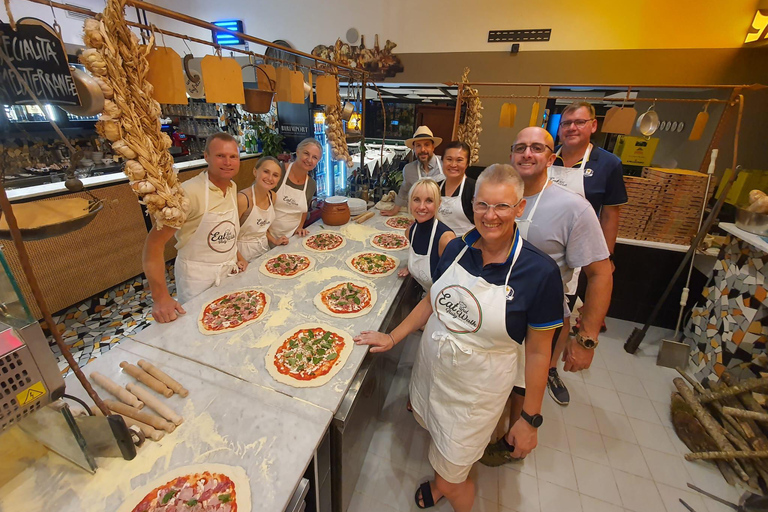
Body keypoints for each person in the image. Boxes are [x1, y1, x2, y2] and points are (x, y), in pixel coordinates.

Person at [355, 164, 563, 512]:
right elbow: (430, 301)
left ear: (520, 208)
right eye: (482, 205)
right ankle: (440, 484)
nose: (490, 215)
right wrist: (393, 337)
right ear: (473, 205)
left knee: (456, 475)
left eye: (502, 206)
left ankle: (450, 489)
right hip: (432, 371)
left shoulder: (539, 272)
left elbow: (540, 354)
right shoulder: (457, 249)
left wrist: (529, 420)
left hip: (474, 396)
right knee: (433, 435)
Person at [507, 127, 612, 424]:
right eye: (521, 147)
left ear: (552, 158)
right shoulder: (499, 197)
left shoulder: (574, 208)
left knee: (522, 390)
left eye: (537, 148)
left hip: (539, 320)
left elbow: (601, 274)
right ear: (512, 156)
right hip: (496, 311)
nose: (528, 153)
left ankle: (515, 438)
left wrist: (586, 338)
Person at [548, 101, 627, 404]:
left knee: (562, 313)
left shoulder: (608, 164)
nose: (571, 128)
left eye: (579, 122)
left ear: (593, 126)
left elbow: (610, 214)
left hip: (577, 255)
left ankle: (550, 369)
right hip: (541, 248)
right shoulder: (548, 157)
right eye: (566, 123)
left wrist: (605, 257)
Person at [143, 133, 248, 323]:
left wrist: (238, 257)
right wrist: (160, 298)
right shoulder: (187, 192)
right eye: (220, 156)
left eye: (233, 156)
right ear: (206, 156)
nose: (228, 162)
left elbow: (228, 231)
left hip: (229, 275)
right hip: (197, 280)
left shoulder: (232, 186)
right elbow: (153, 245)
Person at [397, 178, 455, 292]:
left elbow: (452, 288)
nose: (422, 206)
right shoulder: (410, 232)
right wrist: (411, 267)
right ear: (410, 202)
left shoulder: (446, 240)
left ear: (439, 203)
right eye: (416, 200)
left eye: (429, 200)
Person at [382, 126, 444, 217]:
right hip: (421, 215)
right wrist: (394, 210)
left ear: (433, 147)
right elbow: (404, 191)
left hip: (444, 216)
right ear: (414, 149)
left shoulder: (445, 164)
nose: (423, 150)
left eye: (426, 145)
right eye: (418, 146)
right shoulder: (409, 169)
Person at [269, 138, 320, 241]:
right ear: (297, 152)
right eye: (306, 153)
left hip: (292, 238)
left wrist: (300, 227)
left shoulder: (311, 184)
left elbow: (304, 210)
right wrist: (272, 239)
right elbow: (259, 203)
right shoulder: (278, 171)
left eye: (314, 157)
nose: (309, 160)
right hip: (267, 237)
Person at [237, 156, 286, 261]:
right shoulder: (242, 199)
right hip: (242, 254)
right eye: (266, 172)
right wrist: (241, 260)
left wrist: (275, 241)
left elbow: (262, 229)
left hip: (263, 250)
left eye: (275, 175)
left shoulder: (272, 196)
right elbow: (229, 237)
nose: (270, 178)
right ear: (255, 172)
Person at [437, 141, 476, 237]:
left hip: (466, 245)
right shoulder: (436, 187)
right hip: (439, 243)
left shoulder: (475, 188)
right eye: (449, 159)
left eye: (459, 160)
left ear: (467, 164)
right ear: (442, 161)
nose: (453, 165)